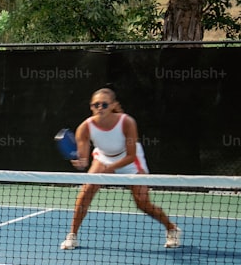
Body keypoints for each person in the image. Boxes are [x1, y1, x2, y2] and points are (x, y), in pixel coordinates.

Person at [60, 87, 181, 251]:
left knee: (142, 202)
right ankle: (72, 235)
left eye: (104, 104)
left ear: (112, 105)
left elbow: (131, 156)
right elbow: (84, 159)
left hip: (131, 160)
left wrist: (110, 169)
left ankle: (171, 228)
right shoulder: (85, 127)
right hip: (103, 157)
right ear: (91, 107)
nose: (100, 108)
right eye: (96, 105)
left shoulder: (127, 122)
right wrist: (80, 163)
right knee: (85, 193)